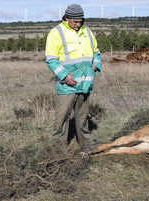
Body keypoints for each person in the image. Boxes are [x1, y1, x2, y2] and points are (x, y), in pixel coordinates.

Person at [45, 4, 102, 150]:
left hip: (85, 82)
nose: (77, 24)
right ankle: (59, 146)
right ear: (66, 18)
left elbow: (96, 52)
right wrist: (64, 76)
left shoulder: (87, 31)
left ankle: (86, 142)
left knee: (83, 115)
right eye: (74, 22)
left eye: (80, 21)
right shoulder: (56, 32)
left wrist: (95, 65)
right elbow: (51, 58)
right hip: (67, 84)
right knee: (62, 116)